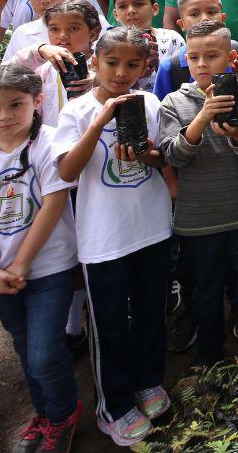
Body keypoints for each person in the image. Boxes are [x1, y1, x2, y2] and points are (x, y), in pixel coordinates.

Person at [0, 65, 81, 451]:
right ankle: (43, 412)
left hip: (48, 267)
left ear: (37, 103)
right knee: (24, 347)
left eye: (16, 105)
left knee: (43, 351)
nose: (4, 116)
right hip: (0, 273)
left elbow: (53, 205)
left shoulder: (49, 144)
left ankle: (62, 415)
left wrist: (21, 264)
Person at [54, 28, 172, 445]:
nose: (121, 72)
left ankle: (148, 380)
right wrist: (99, 122)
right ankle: (114, 406)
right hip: (104, 238)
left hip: (153, 227)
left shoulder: (152, 104)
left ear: (145, 67)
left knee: (150, 311)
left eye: (132, 64)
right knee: (107, 324)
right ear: (94, 62)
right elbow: (67, 171)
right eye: (112, 63)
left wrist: (146, 154)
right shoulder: (76, 111)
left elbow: (164, 159)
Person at [158, 21, 238, 366]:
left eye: (212, 56)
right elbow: (173, 156)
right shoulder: (174, 102)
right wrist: (200, 119)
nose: (202, 64)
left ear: (231, 57)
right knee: (205, 296)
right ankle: (211, 365)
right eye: (194, 57)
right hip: (199, 223)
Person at [11, 0, 101, 128]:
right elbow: (8, 74)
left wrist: (100, 81)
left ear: (93, 34)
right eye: (54, 29)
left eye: (73, 28)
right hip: (52, 142)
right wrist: (39, 50)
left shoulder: (106, 64)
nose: (62, 36)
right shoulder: (43, 67)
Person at [150, 0, 236, 99]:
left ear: (223, 18)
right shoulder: (171, 67)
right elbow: (162, 111)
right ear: (181, 24)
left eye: (211, 12)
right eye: (194, 14)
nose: (205, 18)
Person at [110, 0, 184, 93]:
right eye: (122, 6)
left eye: (139, 4)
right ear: (115, 14)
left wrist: (159, 66)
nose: (131, 11)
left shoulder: (172, 38)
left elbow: (185, 76)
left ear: (154, 9)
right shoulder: (109, 42)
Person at [2, 0, 85, 64]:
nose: (45, 0)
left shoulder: (95, 23)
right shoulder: (22, 34)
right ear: (30, 0)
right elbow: (6, 73)